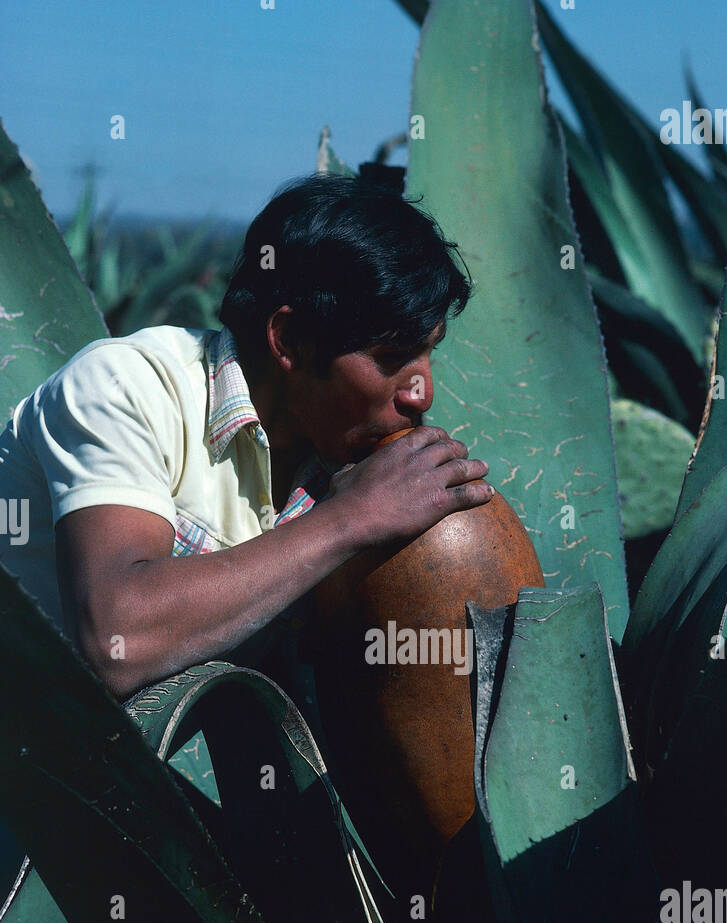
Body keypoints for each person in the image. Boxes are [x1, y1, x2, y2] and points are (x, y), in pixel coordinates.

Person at [0, 173, 493, 701]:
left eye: (428, 352)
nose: (422, 393)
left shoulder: (337, 455)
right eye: (392, 357)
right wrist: (351, 519)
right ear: (290, 341)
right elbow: (117, 640)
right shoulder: (126, 388)